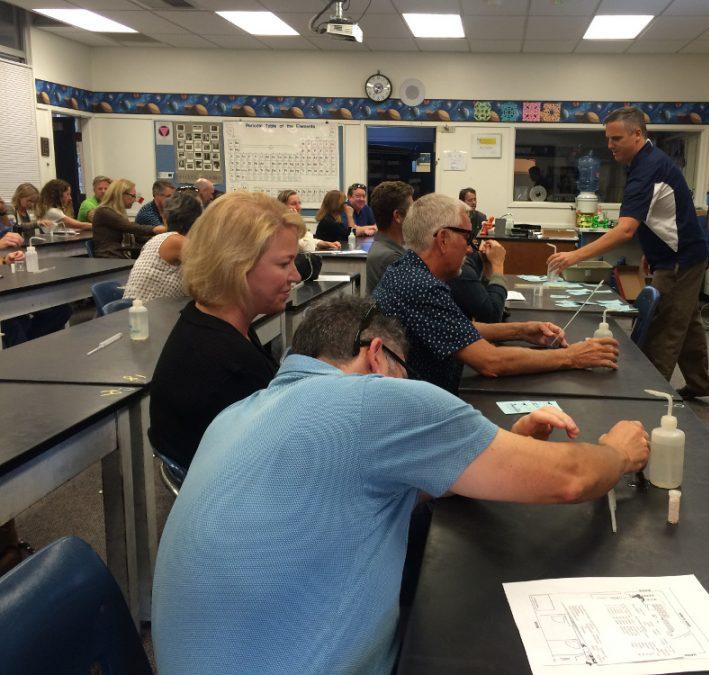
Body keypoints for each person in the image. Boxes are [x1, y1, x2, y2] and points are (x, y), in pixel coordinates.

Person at [151, 295, 650, 674]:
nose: (407, 384)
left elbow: (369, 481)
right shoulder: (374, 400)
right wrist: (619, 453)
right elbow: (570, 479)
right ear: (375, 354)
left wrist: (490, 453)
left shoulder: (240, 413)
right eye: (403, 370)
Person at [548, 106, 709, 400]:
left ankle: (648, 397)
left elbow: (626, 230)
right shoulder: (645, 162)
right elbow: (656, 216)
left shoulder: (648, 169)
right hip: (678, 253)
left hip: (680, 260)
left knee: (663, 325)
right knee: (685, 320)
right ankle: (701, 383)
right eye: (608, 139)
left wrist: (574, 256)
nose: (610, 146)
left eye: (616, 139)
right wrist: (651, 249)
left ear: (637, 134)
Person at [373, 193, 618, 394]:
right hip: (419, 416)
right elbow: (491, 362)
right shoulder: (420, 286)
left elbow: (456, 329)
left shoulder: (407, 269)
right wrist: (573, 356)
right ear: (444, 239)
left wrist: (522, 330)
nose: (470, 249)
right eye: (467, 237)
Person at [149, 192, 302, 470]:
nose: (296, 276)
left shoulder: (210, 321)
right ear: (236, 265)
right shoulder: (228, 365)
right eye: (283, 264)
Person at [123, 191, 202, 302]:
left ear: (165, 217)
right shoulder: (177, 242)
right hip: (148, 312)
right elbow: (207, 274)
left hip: (139, 309)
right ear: (197, 220)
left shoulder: (159, 239)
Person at [92, 179, 165, 258]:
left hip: (119, 255)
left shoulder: (118, 212)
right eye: (132, 196)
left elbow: (136, 236)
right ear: (120, 194)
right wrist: (155, 229)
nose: (134, 200)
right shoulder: (104, 212)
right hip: (110, 259)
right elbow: (130, 227)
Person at [366, 180, 413, 294]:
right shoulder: (391, 257)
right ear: (398, 216)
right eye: (412, 210)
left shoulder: (384, 246)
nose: (416, 216)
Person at [448, 238, 508, 323]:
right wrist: (497, 264)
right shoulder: (460, 270)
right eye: (466, 238)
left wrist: (488, 265)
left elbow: (485, 301)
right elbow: (492, 317)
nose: (470, 249)